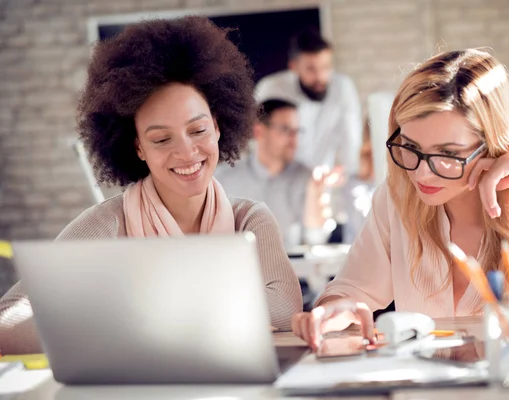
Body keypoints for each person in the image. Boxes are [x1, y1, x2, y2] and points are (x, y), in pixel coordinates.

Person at [0, 16, 302, 355]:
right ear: (138, 147)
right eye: (161, 139)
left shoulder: (250, 220)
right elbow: (6, 321)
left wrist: (138, 315)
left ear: (218, 127)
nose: (187, 152)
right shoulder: (106, 224)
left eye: (198, 130)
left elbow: (286, 309)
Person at [291, 49, 509, 348]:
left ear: (491, 144)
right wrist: (332, 307)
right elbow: (355, 288)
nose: (422, 174)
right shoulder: (396, 199)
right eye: (409, 146)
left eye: (448, 153)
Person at [215, 99, 332, 249]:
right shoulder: (224, 178)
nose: (294, 139)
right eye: (285, 130)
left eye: (297, 131)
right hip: (239, 268)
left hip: (291, 268)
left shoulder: (306, 177)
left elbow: (316, 238)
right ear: (259, 131)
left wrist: (316, 191)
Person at [254, 28, 362, 175]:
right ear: (294, 67)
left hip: (322, 179)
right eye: (311, 69)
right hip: (279, 178)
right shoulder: (271, 88)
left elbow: (351, 140)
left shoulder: (343, 88)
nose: (320, 76)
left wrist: (349, 173)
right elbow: (258, 140)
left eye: (325, 67)